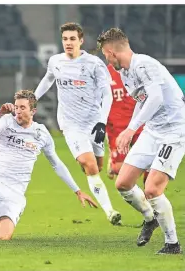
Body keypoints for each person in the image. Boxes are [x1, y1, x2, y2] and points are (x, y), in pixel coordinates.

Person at [0, 90, 98, 240]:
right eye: (16, 107)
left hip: (14, 192)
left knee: (2, 237)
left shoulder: (41, 133)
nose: (18, 112)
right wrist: (0, 113)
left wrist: (77, 191)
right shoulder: (6, 121)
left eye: (22, 108)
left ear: (33, 111)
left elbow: (57, 164)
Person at [97, 27, 184, 254]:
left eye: (105, 55)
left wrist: (132, 128)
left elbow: (155, 97)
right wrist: (130, 130)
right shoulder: (125, 72)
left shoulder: (144, 65)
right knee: (123, 183)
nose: (106, 59)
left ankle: (172, 243)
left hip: (174, 132)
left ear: (111, 52)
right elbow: (141, 100)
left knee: (153, 189)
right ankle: (150, 218)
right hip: (152, 130)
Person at [34, 22, 121, 225]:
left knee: (96, 166)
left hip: (93, 121)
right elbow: (48, 79)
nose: (68, 43)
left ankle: (86, 162)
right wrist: (33, 99)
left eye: (72, 39)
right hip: (70, 123)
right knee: (89, 165)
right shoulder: (55, 61)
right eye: (65, 39)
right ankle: (110, 211)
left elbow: (107, 93)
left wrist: (102, 122)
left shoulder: (93, 64)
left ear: (81, 41)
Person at [106, 64, 148, 184]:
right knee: (120, 170)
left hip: (138, 125)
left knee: (150, 163)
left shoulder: (137, 71)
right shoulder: (104, 73)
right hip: (117, 128)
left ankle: (150, 196)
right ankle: (114, 163)